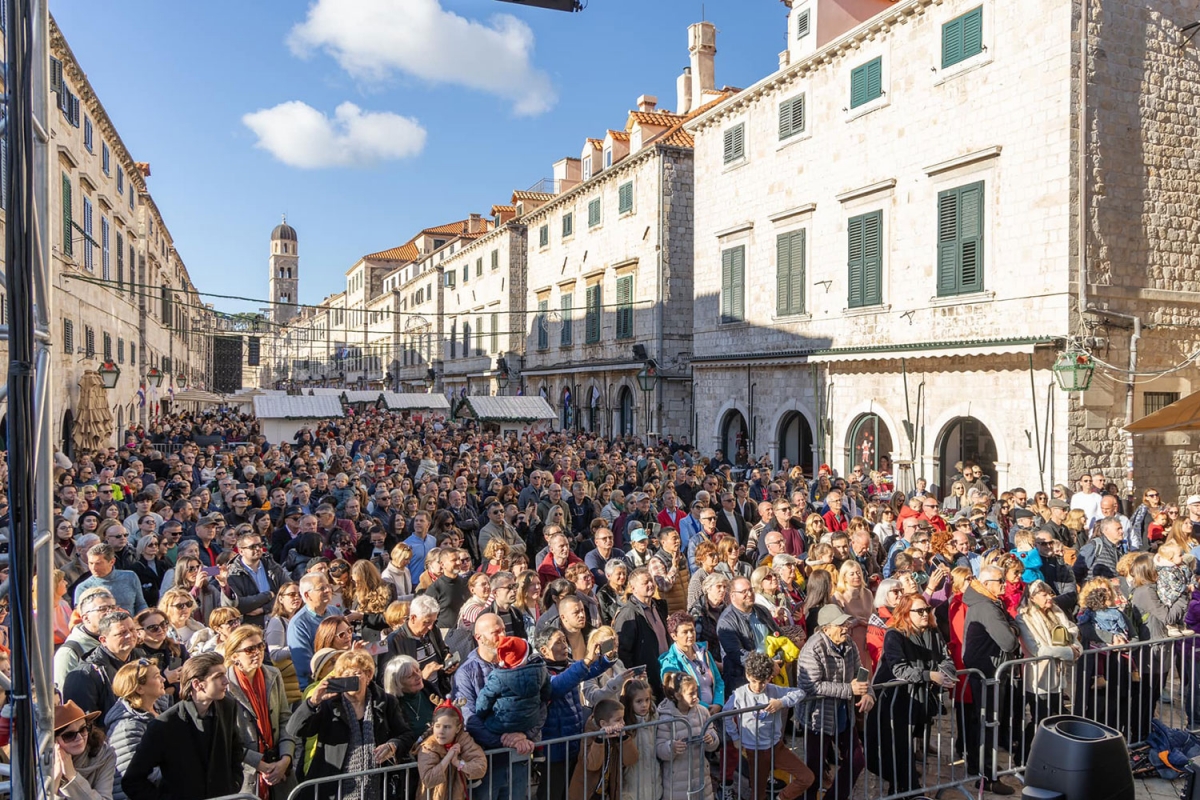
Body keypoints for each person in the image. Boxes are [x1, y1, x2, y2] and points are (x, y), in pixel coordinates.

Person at [285, 650, 415, 800]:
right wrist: (313, 702)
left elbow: (406, 735)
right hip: (333, 788)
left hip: (378, 788)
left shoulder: (386, 702)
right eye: (346, 676)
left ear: (368, 676)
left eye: (357, 674)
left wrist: (393, 745)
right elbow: (295, 729)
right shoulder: (329, 704)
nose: (352, 679)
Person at [121, 652, 252, 800]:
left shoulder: (227, 707)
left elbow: (236, 749)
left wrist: (234, 782)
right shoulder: (164, 725)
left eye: (224, 674)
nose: (226, 681)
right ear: (197, 684)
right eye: (218, 676)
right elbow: (132, 781)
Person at [864, 594, 956, 798]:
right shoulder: (894, 634)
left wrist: (946, 674)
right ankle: (902, 786)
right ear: (906, 613)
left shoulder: (932, 632)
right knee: (877, 753)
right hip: (891, 701)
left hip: (917, 702)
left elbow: (946, 659)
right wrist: (929, 675)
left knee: (905, 753)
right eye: (920, 611)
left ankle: (907, 790)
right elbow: (899, 668)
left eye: (927, 610)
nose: (925, 614)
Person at [454, 613, 538, 800]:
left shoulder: (519, 663)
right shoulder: (466, 673)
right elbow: (469, 718)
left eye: (503, 630)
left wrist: (525, 735)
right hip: (487, 760)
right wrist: (503, 740)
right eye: (495, 632)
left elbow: (537, 704)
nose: (502, 636)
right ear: (479, 638)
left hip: (518, 757)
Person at [795, 605, 874, 800]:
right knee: (814, 769)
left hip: (844, 715)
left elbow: (860, 673)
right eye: (840, 624)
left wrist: (867, 693)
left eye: (845, 623)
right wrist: (849, 690)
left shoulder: (849, 644)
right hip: (818, 718)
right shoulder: (812, 648)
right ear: (826, 628)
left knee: (857, 761)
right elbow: (810, 686)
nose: (845, 628)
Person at [960, 565, 1020, 795]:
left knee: (985, 722)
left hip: (990, 672)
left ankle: (983, 768)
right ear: (986, 584)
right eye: (1000, 581)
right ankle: (987, 775)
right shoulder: (986, 606)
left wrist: (1011, 628)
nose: (1004, 585)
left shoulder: (989, 602)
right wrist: (1012, 631)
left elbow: (1009, 627)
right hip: (989, 673)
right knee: (988, 723)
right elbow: (1008, 641)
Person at [722, 651, 815, 800]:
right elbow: (726, 714)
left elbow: (799, 692)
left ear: (769, 678)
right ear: (747, 675)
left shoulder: (774, 690)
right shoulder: (739, 694)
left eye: (763, 682)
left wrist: (781, 702)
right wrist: (735, 737)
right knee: (758, 794)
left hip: (776, 747)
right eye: (754, 681)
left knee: (807, 777)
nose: (758, 686)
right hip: (755, 751)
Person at [224, 624, 296, 799]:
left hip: (279, 765)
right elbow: (227, 738)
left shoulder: (273, 673)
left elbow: (285, 719)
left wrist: (285, 760)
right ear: (235, 656)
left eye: (260, 646)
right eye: (249, 649)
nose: (257, 652)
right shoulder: (225, 685)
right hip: (246, 774)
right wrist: (260, 765)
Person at [1015, 580, 1081, 761]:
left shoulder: (1057, 612)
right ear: (1033, 597)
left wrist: (1076, 647)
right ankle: (1023, 755)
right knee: (1040, 718)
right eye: (1044, 594)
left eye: (1050, 593)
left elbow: (1072, 631)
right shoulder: (1024, 617)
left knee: (1055, 716)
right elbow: (1037, 650)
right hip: (1038, 675)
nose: (1049, 598)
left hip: (1058, 676)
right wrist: (1068, 652)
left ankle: (1046, 755)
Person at [106, 661, 168, 800]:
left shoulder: (160, 708)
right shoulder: (127, 727)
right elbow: (134, 774)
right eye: (157, 676)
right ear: (140, 688)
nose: (163, 679)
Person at [63, 611, 140, 721]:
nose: (130, 635)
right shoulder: (85, 675)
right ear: (103, 640)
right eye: (121, 633)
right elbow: (86, 722)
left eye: (132, 630)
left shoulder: (142, 660)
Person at [655, 672, 718, 800]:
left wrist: (711, 740)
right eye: (691, 693)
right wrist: (671, 747)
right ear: (678, 695)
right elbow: (660, 749)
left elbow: (713, 740)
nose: (696, 696)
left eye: (696, 691)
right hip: (677, 782)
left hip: (701, 777)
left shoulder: (703, 712)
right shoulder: (665, 718)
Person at [474, 635, 552, 735]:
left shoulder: (498, 676)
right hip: (530, 721)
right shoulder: (540, 671)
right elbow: (546, 694)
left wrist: (481, 714)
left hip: (500, 724)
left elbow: (485, 699)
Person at [613, 567, 671, 699]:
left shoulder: (658, 606)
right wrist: (635, 677)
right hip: (646, 679)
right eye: (645, 583)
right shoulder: (628, 614)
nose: (651, 585)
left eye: (651, 581)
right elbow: (623, 651)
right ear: (633, 588)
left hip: (665, 672)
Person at [716, 576, 781, 691]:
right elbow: (738, 654)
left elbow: (779, 636)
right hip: (744, 682)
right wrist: (767, 665)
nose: (750, 594)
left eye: (751, 590)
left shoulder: (762, 611)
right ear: (732, 596)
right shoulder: (726, 622)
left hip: (772, 674)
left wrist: (778, 659)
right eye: (744, 592)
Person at [569, 696, 638, 800]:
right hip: (586, 793)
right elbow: (591, 764)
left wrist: (624, 738)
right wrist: (600, 740)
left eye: (623, 718)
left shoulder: (618, 734)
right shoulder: (589, 735)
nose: (623, 723)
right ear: (603, 724)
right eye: (618, 720)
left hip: (606, 792)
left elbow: (631, 759)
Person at [415, 702, 488, 800]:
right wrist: (447, 758)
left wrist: (458, 763)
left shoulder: (463, 739)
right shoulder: (428, 746)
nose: (441, 731)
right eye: (437, 726)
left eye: (447, 727)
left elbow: (480, 767)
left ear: (457, 729)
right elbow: (429, 779)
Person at [384, 594, 452, 698]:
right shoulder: (394, 641)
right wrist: (421, 676)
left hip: (438, 692)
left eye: (434, 621)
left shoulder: (433, 631)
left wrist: (447, 662)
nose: (430, 627)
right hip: (415, 698)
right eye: (427, 622)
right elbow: (388, 680)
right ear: (413, 618)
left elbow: (443, 651)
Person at [50, 700, 118, 800]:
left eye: (83, 729)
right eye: (69, 735)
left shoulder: (104, 755)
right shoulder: (44, 762)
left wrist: (72, 776)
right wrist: (54, 783)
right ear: (54, 741)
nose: (80, 738)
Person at [659, 611, 724, 710]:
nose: (690, 635)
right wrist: (706, 708)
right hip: (691, 716)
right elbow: (677, 694)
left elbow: (718, 681)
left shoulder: (704, 652)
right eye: (685, 632)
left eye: (692, 630)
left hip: (715, 712)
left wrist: (718, 704)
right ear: (674, 636)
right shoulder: (670, 662)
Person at [55, 588, 117, 689]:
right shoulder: (70, 652)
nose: (110, 613)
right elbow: (66, 697)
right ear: (86, 618)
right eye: (103, 609)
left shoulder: (118, 642)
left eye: (112, 607)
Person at [226, 530, 289, 627]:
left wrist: (265, 609)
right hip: (249, 626)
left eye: (260, 545)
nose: (258, 549)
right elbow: (238, 605)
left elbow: (288, 593)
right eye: (252, 547)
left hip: (276, 620)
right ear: (241, 551)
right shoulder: (232, 574)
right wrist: (268, 595)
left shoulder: (272, 566)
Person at [74, 543, 147, 615]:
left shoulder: (130, 577)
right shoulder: (83, 588)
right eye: (91, 563)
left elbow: (141, 604)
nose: (93, 568)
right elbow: (80, 616)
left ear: (112, 562)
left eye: (98, 563)